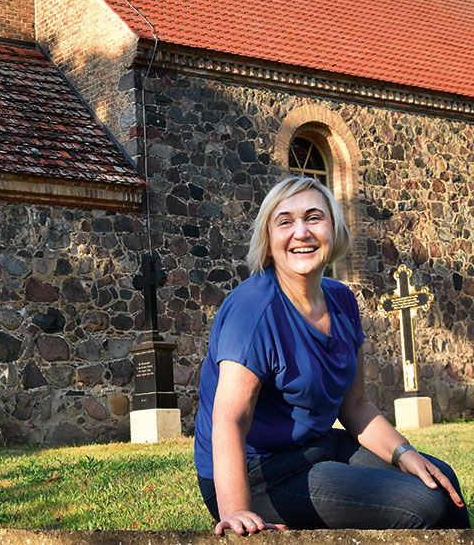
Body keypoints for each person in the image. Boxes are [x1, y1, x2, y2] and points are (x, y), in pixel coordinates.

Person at [194, 176, 470, 535]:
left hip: (316, 447)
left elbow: (355, 406)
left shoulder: (342, 301)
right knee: (421, 504)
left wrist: (406, 453)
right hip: (256, 471)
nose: (302, 233)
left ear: (335, 229)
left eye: (313, 217)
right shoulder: (253, 310)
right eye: (285, 222)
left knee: (440, 478)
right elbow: (230, 418)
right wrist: (235, 509)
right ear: (268, 240)